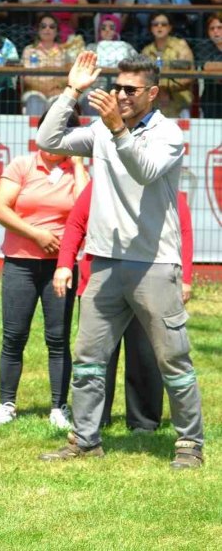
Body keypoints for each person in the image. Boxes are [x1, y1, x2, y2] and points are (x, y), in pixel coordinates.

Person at [36, 52, 205, 469]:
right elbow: (48, 141)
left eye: (131, 89)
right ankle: (85, 439)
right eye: (117, 87)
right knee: (89, 359)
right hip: (105, 264)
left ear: (153, 93)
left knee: (173, 359)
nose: (121, 95)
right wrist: (71, 91)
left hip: (155, 264)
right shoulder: (101, 129)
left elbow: (145, 170)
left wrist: (116, 128)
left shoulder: (169, 134)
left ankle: (189, 444)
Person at [53, 180, 194, 432]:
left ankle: (144, 422)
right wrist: (64, 264)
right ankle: (93, 420)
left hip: (148, 283)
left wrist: (186, 278)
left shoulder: (161, 181)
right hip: (101, 283)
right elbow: (76, 223)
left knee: (145, 355)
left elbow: (183, 229)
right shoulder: (101, 184)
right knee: (96, 357)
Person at [0, 108, 89, 429]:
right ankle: (6, 404)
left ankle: (59, 407)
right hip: (20, 263)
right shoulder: (22, 165)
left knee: (58, 338)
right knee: (14, 335)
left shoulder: (76, 172)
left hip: (61, 267)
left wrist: (79, 163)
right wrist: (37, 235)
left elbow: (86, 207)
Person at [140, 12, 194, 118]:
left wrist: (166, 90)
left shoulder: (181, 46)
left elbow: (189, 76)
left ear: (170, 27)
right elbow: (142, 79)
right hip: (153, 102)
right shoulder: (146, 51)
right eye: (155, 24)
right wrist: (159, 92)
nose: (159, 27)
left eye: (164, 24)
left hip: (179, 100)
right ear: (151, 28)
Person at [21, 14, 69, 116]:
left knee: (60, 104)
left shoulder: (64, 51)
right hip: (35, 91)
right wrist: (43, 88)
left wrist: (55, 86)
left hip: (57, 92)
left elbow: (68, 76)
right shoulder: (29, 50)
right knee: (34, 102)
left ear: (57, 31)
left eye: (52, 27)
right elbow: (26, 78)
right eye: (43, 26)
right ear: (38, 30)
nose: (47, 29)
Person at [197, 13, 222, 118]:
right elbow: (207, 66)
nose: (215, 31)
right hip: (211, 98)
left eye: (220, 28)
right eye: (212, 28)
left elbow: (213, 67)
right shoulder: (203, 46)